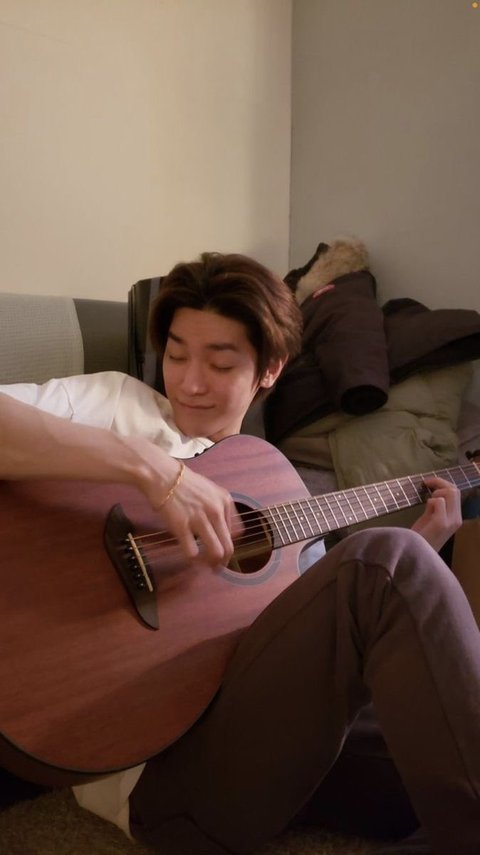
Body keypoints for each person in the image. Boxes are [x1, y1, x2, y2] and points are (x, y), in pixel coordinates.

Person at [0, 252, 478, 855]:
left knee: (425, 745)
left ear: (270, 369)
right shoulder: (115, 405)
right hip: (153, 776)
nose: (190, 382)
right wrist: (149, 467)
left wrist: (420, 565)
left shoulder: (273, 482)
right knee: (387, 558)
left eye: (221, 363)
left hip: (261, 748)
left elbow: (313, 662)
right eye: (177, 355)